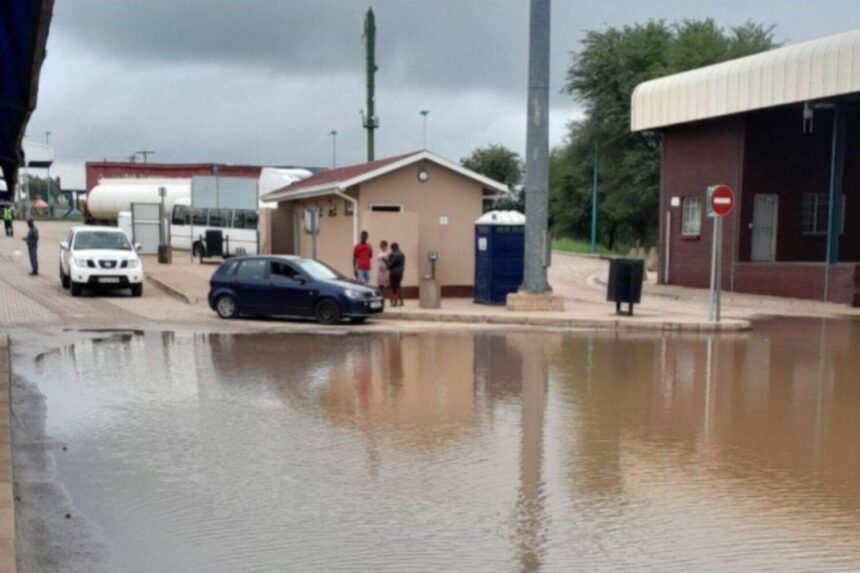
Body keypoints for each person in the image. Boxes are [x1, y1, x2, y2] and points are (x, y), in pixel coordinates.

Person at [386, 242, 405, 307]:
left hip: (393, 272)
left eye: (392, 248)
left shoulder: (394, 255)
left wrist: (385, 261)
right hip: (400, 272)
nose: (391, 250)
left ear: (394, 248)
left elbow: (390, 265)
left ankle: (395, 302)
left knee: (394, 287)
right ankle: (401, 301)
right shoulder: (402, 254)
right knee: (398, 286)